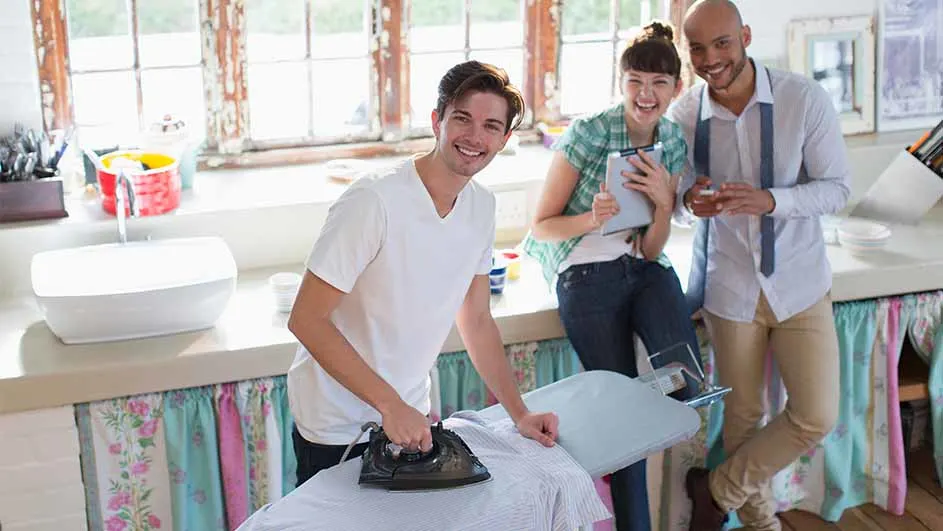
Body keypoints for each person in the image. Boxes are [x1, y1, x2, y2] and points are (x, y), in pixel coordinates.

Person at [286, 60, 559, 487]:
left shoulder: (480, 207)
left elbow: (476, 319)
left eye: (490, 126)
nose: (474, 137)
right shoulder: (373, 201)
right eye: (462, 119)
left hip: (408, 415)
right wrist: (388, 404)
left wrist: (519, 413)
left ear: (504, 139)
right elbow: (305, 319)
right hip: (335, 421)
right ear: (437, 121)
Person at [669, 1, 851, 530]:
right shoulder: (684, 115)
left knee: (816, 413)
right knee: (743, 420)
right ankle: (761, 525)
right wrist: (688, 204)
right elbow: (676, 203)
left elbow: (837, 188)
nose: (710, 59)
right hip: (730, 290)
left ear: (745, 35)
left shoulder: (803, 99)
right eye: (697, 48)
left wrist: (772, 201)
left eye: (722, 43)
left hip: (799, 284)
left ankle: (716, 489)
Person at [521, 21, 705, 531]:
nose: (646, 94)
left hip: (642, 267)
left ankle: (638, 411)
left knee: (688, 386)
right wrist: (592, 218)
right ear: (621, 82)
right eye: (635, 81)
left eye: (659, 84)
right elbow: (542, 225)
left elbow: (650, 248)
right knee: (624, 428)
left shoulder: (671, 137)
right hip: (585, 271)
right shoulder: (590, 132)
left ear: (676, 87)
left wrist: (665, 204)